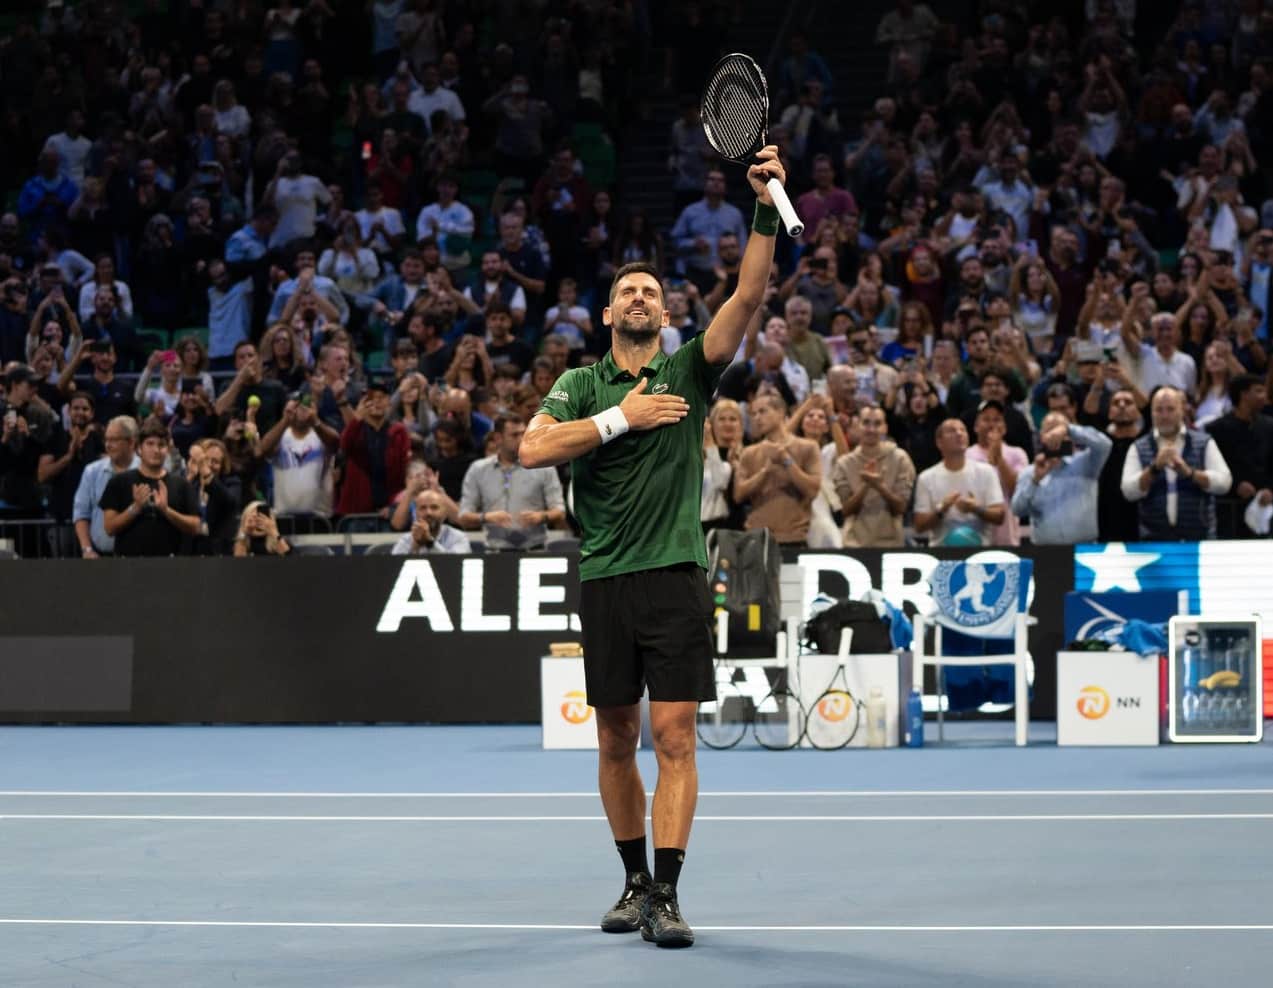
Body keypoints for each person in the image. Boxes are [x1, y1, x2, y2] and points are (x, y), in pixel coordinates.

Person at [518, 146, 787, 948]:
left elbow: (747, 293)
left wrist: (766, 203)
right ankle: (631, 880)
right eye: (626, 291)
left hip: (672, 573)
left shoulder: (687, 371)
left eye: (651, 291)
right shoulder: (578, 386)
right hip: (603, 577)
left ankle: (666, 892)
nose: (639, 297)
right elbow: (532, 451)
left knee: (673, 736)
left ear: (664, 315)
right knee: (612, 739)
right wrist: (618, 421)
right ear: (606, 315)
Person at [1121, 386, 1233, 541]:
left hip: (1199, 539)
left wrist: (1190, 473)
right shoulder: (1138, 447)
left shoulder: (1204, 442)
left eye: (1170, 409)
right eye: (1158, 410)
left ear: (1182, 411)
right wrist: (1154, 468)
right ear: (1151, 413)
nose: (1164, 415)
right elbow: (1128, 491)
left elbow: (1224, 483)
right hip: (1154, 540)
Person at [457, 413, 565, 549]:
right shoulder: (478, 470)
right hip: (494, 554)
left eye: (523, 434)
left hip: (534, 551)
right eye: (515, 435)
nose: (522, 439)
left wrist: (542, 516)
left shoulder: (544, 467)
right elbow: (463, 516)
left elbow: (560, 511)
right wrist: (486, 517)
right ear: (498, 438)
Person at [99, 420, 201, 557]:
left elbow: (195, 526)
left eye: (161, 445)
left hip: (172, 566)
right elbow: (109, 528)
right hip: (129, 566)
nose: (156, 450)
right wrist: (135, 508)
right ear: (139, 448)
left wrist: (167, 511)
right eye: (150, 444)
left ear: (168, 449)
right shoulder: (118, 482)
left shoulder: (181, 484)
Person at [1011, 412, 1113, 545]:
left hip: (1084, 548)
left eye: (1058, 430)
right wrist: (1035, 480)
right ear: (1042, 436)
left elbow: (1105, 444)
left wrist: (1069, 429)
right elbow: (1017, 510)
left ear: (1069, 436)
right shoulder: (1029, 472)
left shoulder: (1085, 463)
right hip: (1045, 551)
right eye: (1049, 430)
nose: (1054, 435)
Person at [912, 418, 1005, 546]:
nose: (959, 433)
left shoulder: (986, 472)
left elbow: (1000, 516)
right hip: (941, 554)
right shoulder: (926, 477)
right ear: (939, 442)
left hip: (980, 553)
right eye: (952, 431)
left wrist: (976, 508)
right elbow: (919, 525)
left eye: (963, 430)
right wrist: (941, 509)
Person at [832, 403, 915, 547]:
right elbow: (846, 511)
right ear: (858, 426)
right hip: (854, 545)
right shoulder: (844, 463)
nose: (871, 429)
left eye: (877, 424)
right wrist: (866, 485)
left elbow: (900, 508)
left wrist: (879, 486)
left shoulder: (900, 458)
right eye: (866, 423)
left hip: (892, 544)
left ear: (885, 428)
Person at [1206, 374, 1273, 538]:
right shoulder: (1217, 429)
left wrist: (1270, 489)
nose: (1264, 396)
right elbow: (1212, 467)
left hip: (1266, 507)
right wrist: (1235, 485)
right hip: (1230, 509)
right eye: (1258, 391)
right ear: (1244, 395)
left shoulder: (1269, 426)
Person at [335, 378, 412, 517]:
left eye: (381, 397)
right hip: (357, 511)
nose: (376, 402)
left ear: (389, 402)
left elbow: (403, 471)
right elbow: (345, 446)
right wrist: (357, 418)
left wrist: (395, 505)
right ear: (363, 403)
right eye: (371, 398)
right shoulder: (355, 430)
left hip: (389, 509)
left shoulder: (399, 432)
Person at [964, 399, 1029, 546]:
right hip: (973, 537)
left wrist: (999, 458)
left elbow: (1017, 493)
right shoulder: (966, 456)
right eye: (986, 419)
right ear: (976, 427)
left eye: (997, 420)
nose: (992, 424)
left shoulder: (1017, 454)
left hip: (1006, 537)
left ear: (1004, 427)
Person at [1097, 388, 1145, 543]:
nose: (1122, 405)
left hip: (1140, 520)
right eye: (1116, 403)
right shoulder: (1100, 443)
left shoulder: (1146, 442)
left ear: (1138, 412)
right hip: (1107, 521)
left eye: (1128, 402)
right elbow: (1087, 415)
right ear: (1109, 412)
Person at [392, 487, 472, 554]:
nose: (428, 513)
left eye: (434, 507)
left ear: (444, 513)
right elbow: (394, 567)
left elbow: (453, 565)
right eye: (423, 508)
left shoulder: (459, 538)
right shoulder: (406, 539)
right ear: (416, 513)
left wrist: (429, 542)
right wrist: (415, 546)